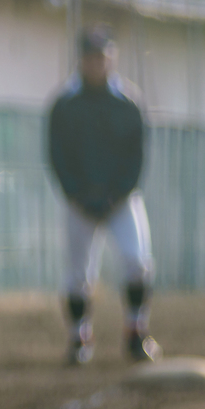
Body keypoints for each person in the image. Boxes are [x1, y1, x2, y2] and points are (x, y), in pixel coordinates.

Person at [48, 25, 158, 365]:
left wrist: (117, 193)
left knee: (137, 261)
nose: (97, 63)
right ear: (81, 60)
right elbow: (58, 155)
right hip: (81, 201)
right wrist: (77, 194)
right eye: (91, 56)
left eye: (102, 56)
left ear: (112, 58)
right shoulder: (65, 103)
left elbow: (136, 155)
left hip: (121, 200)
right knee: (78, 274)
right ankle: (79, 338)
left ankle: (135, 333)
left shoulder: (128, 101)